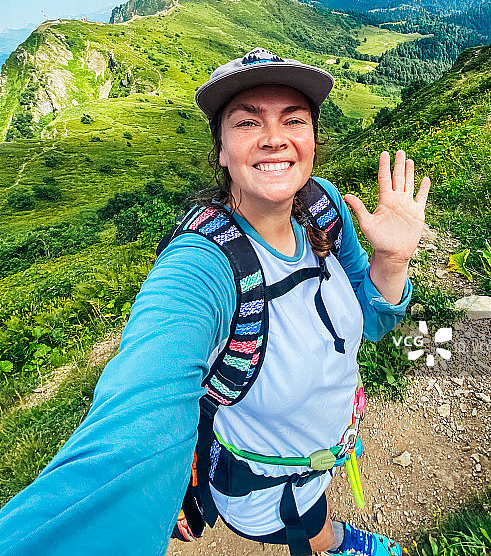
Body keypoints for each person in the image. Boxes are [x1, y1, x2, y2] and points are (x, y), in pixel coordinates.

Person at [0, 47, 430, 556]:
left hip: (323, 446)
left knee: (316, 501)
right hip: (267, 482)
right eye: (248, 122)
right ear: (221, 151)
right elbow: (142, 401)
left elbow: (371, 322)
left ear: (312, 138)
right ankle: (336, 544)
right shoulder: (202, 265)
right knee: (310, 523)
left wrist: (392, 261)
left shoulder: (323, 205)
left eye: (294, 119)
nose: (275, 137)